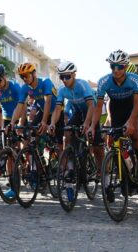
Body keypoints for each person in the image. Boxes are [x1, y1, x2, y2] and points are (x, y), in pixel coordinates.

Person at [90, 50, 138, 198]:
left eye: (119, 67)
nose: (115, 70)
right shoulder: (104, 81)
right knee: (116, 142)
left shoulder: (134, 79)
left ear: (126, 67)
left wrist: (131, 122)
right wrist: (93, 126)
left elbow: (137, 105)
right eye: (112, 66)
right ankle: (123, 175)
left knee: (133, 133)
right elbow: (98, 106)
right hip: (115, 108)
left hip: (131, 107)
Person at [49, 61, 102, 200]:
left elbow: (91, 106)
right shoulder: (62, 89)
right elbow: (57, 108)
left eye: (67, 76)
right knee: (67, 133)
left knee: (96, 145)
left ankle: (102, 174)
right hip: (78, 112)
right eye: (62, 77)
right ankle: (72, 162)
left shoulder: (82, 85)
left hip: (92, 112)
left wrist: (86, 124)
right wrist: (52, 123)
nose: (64, 80)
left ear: (74, 75)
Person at [0, 64, 22, 195]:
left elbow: (22, 106)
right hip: (7, 119)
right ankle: (13, 187)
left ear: (5, 77)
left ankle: (30, 167)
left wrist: (19, 124)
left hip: (19, 116)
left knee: (20, 146)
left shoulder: (15, 87)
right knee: (8, 152)